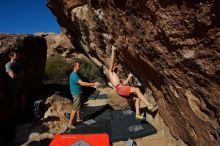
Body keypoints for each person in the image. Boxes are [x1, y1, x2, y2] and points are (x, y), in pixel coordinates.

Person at [108, 46, 158, 120]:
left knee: (138, 98)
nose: (115, 66)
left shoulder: (115, 76)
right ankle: (149, 105)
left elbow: (123, 84)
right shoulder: (110, 72)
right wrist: (113, 50)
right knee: (137, 90)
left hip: (120, 89)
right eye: (114, 66)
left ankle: (137, 114)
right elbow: (112, 60)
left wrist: (129, 77)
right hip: (120, 89)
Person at [67, 62, 100, 129]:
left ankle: (78, 118)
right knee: (75, 108)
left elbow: (80, 83)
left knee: (80, 105)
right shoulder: (74, 75)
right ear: (75, 66)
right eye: (79, 66)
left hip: (79, 92)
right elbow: (82, 83)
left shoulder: (76, 74)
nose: (80, 67)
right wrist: (94, 84)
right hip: (76, 94)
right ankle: (69, 124)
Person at [5, 51, 27, 118]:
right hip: (12, 85)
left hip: (20, 84)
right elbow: (12, 76)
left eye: (18, 54)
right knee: (14, 101)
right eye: (16, 55)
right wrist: (19, 75)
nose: (18, 56)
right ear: (11, 56)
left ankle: (22, 113)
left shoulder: (19, 64)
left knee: (24, 98)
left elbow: (23, 75)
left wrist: (18, 75)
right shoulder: (8, 65)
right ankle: (15, 115)